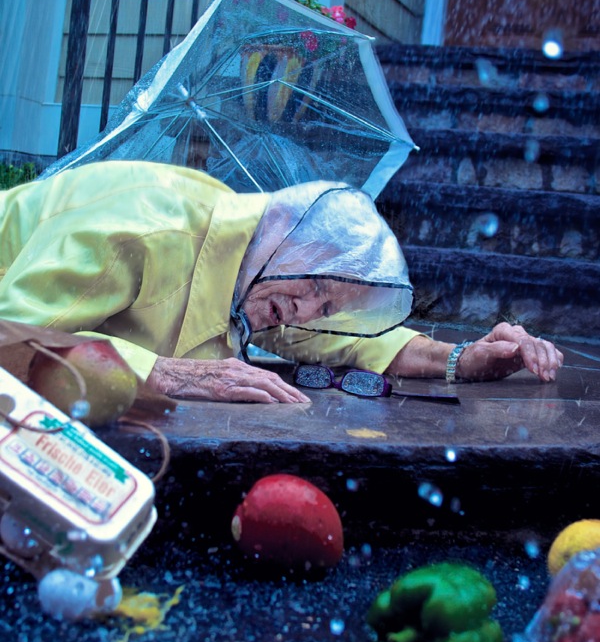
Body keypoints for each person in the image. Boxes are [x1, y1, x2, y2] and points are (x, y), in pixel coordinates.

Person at [0, 160, 563, 404]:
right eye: (316, 285)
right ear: (285, 234)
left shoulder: (262, 275)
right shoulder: (142, 228)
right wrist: (168, 372)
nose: (306, 310)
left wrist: (463, 358)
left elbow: (343, 341)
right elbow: (11, 336)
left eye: (325, 305)